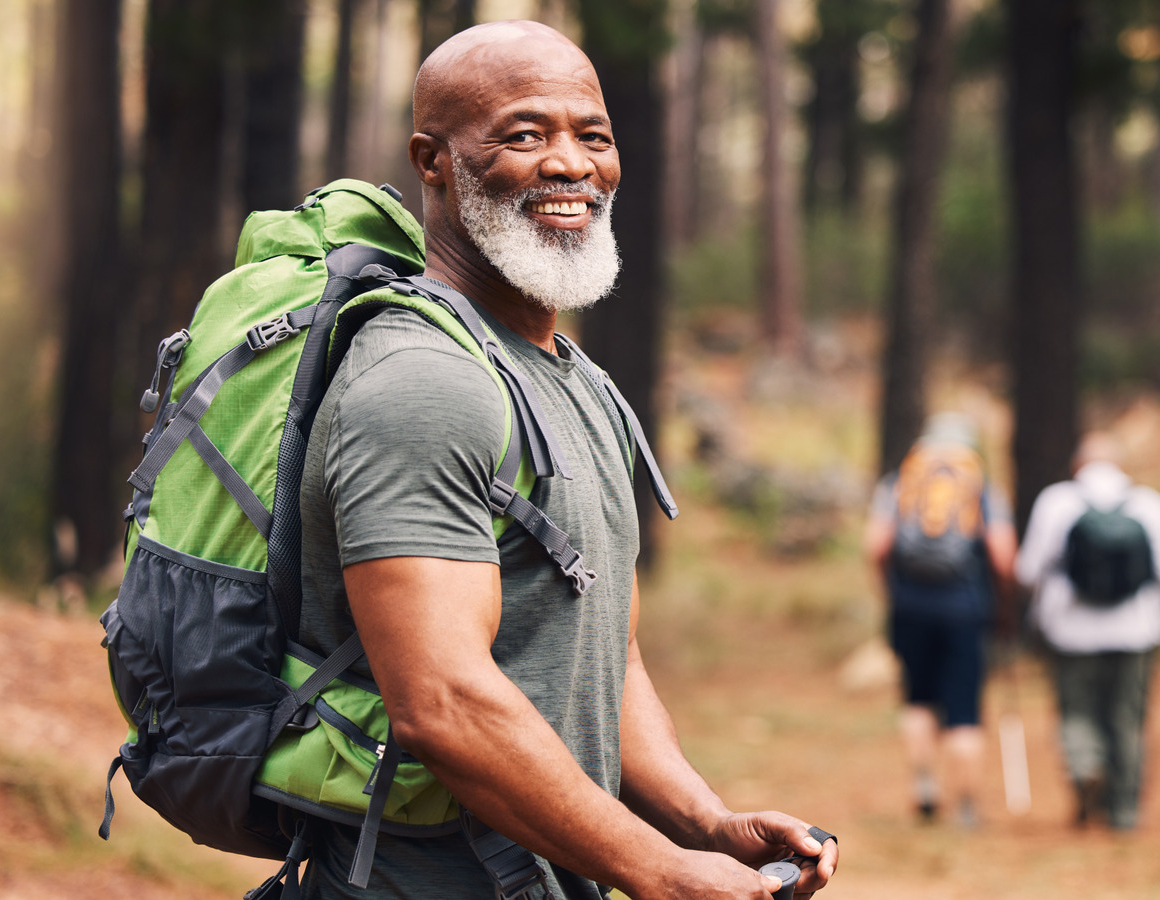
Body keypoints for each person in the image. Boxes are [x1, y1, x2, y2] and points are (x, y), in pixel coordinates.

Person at [296, 21, 838, 900]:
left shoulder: (573, 380)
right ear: (432, 161)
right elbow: (442, 702)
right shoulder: (421, 383)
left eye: (593, 135)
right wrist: (658, 872)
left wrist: (705, 825)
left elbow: (597, 655)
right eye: (524, 135)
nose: (569, 164)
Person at [1015, 432, 1160, 832]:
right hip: (1138, 632)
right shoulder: (1151, 505)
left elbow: (1028, 570)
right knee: (1128, 719)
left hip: (1070, 632)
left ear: (1078, 466)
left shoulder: (1056, 502)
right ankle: (1125, 811)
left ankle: (1085, 767)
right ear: (1122, 466)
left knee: (1076, 711)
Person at [863, 414, 1017, 828]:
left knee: (917, 699)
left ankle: (924, 787)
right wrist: (1004, 604)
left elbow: (876, 546)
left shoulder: (900, 481)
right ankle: (966, 807)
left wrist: (891, 593)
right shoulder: (980, 485)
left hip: (910, 607)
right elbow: (1003, 555)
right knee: (963, 711)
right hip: (965, 610)